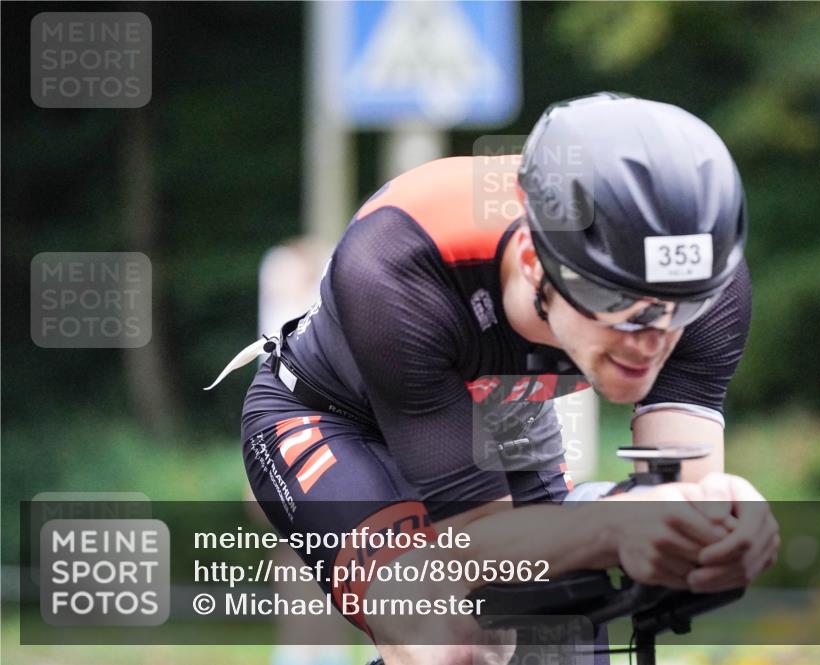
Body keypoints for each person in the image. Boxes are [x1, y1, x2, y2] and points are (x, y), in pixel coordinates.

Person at [218, 92, 779, 664]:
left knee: (558, 639)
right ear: (537, 262)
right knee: (453, 639)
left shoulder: (705, 283)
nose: (649, 338)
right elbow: (468, 553)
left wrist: (723, 525)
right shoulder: (399, 262)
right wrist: (609, 522)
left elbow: (676, 501)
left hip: (502, 416)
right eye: (617, 302)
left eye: (678, 309)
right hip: (332, 419)